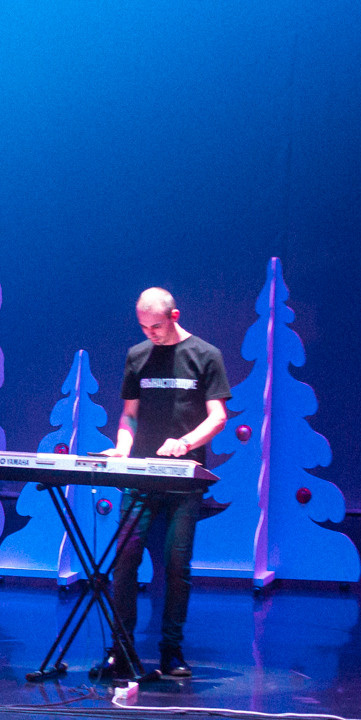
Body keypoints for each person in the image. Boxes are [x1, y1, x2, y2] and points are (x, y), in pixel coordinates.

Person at [102, 288, 229, 681]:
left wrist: (186, 442)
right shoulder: (137, 356)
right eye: (144, 327)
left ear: (174, 315)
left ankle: (171, 651)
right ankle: (120, 651)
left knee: (176, 566)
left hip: (182, 482)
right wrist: (122, 447)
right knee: (124, 563)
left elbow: (219, 416)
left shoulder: (205, 356)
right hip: (140, 477)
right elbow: (129, 416)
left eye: (156, 326)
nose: (151, 333)